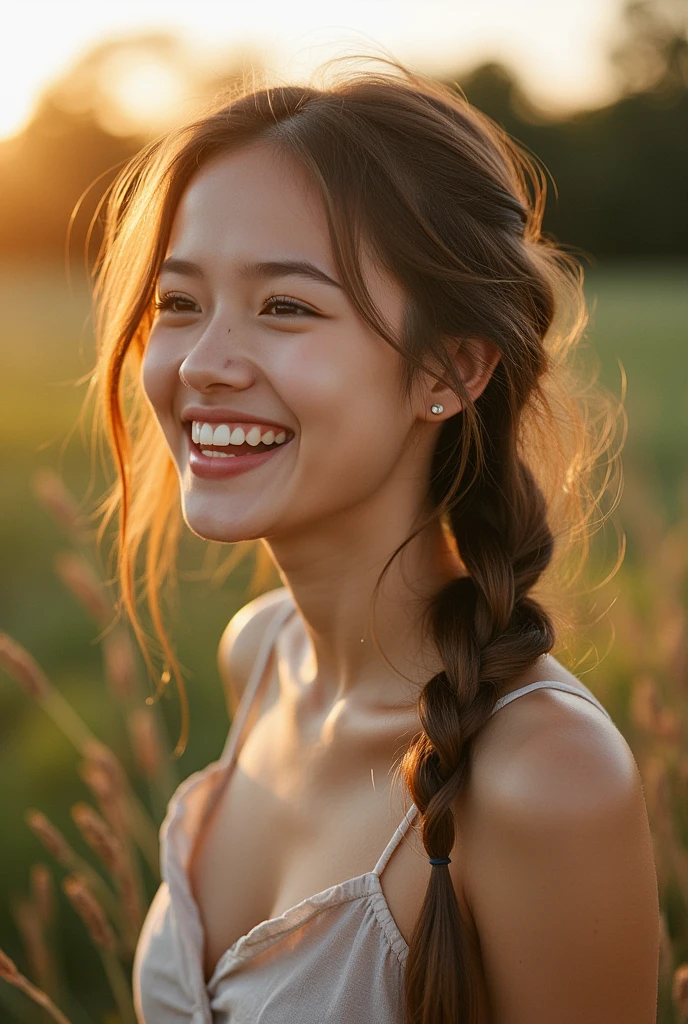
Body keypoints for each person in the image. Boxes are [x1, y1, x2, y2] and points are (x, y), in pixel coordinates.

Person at [88, 56, 659, 1023]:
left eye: (286, 307)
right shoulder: (260, 656)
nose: (203, 365)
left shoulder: (546, 777)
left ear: (451, 368)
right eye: (179, 302)